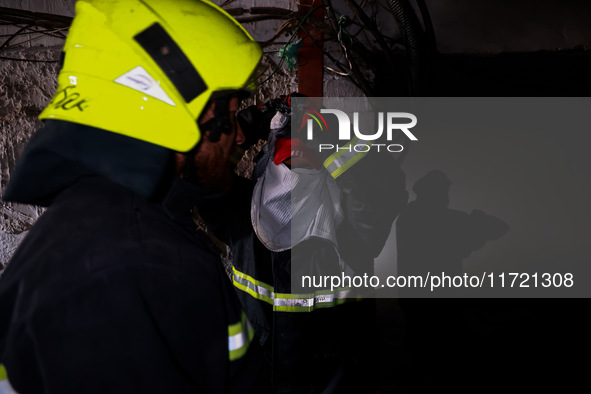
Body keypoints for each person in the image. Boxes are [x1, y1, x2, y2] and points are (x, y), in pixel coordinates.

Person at [0, 1, 269, 393]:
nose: (239, 136)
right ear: (179, 114)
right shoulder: (136, 269)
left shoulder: (108, 228)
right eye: (230, 112)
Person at [199, 93, 409, 393]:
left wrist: (335, 139)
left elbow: (380, 192)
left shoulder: (348, 223)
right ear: (268, 162)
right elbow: (203, 180)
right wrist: (245, 128)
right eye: (286, 159)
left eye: (305, 157)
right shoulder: (242, 212)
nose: (294, 167)